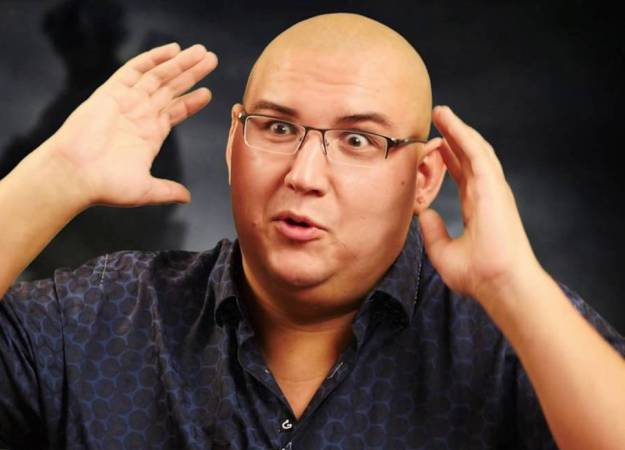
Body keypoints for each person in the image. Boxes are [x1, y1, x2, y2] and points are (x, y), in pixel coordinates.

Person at [0, 12, 623, 450]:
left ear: (424, 177)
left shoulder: (514, 338)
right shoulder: (101, 318)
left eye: (358, 140)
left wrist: (512, 285)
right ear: (233, 145)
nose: (304, 175)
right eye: (277, 128)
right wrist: (54, 177)